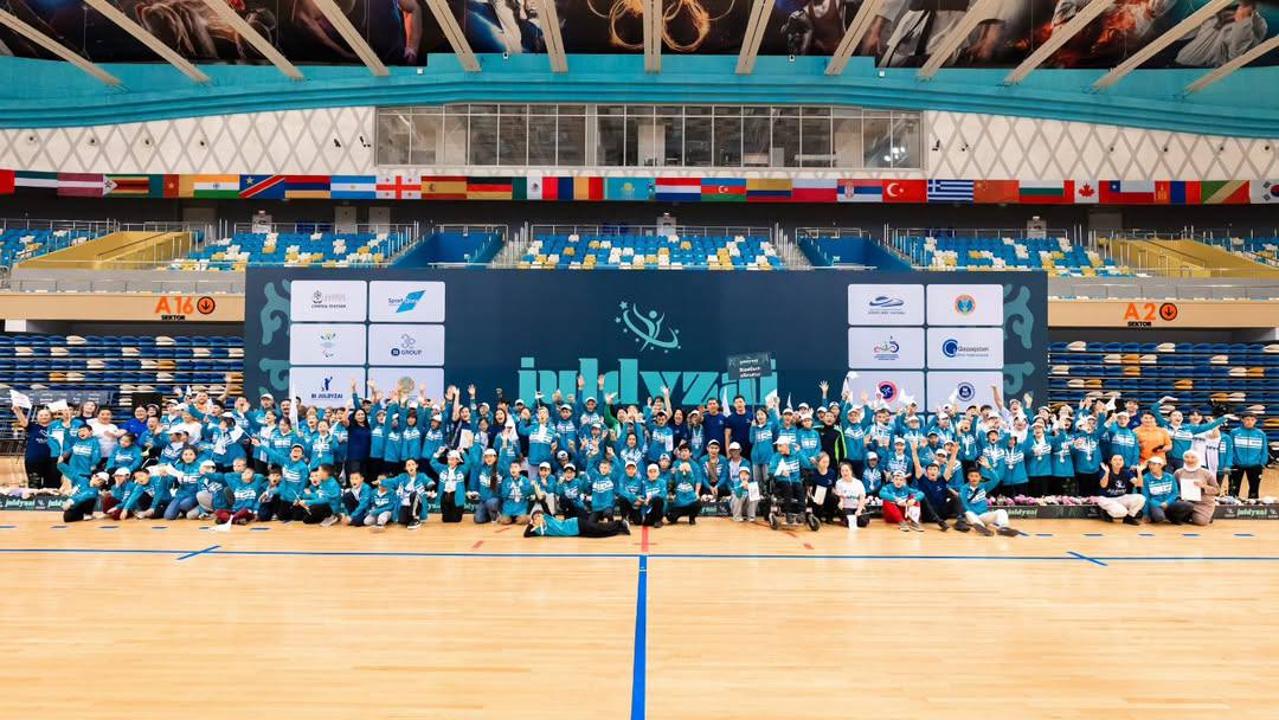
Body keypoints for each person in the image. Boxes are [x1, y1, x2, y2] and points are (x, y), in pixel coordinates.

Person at [959, 466, 1018, 537]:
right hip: (973, 517)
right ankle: (982, 529)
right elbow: (964, 504)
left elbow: (996, 479)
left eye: (976, 476)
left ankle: (1004, 529)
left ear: (980, 477)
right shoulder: (964, 489)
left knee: (1002, 511)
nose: (974, 478)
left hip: (984, 515)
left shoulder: (984, 485)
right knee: (968, 512)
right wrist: (974, 513)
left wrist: (989, 468)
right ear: (968, 477)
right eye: (971, 476)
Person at [13, 404, 60, 489]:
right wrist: (18, 411)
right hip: (33, 462)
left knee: (53, 487)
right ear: (37, 417)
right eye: (41, 415)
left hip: (53, 462)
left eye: (46, 415)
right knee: (34, 485)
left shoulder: (58, 427)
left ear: (51, 416)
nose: (44, 417)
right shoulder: (32, 427)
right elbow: (23, 421)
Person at [1137, 456, 1193, 525]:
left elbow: (1175, 493)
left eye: (1154, 464)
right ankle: (1159, 515)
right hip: (1155, 504)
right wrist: (1146, 514)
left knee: (1189, 505)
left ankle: (1173, 518)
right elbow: (1146, 497)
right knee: (1159, 517)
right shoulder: (1146, 478)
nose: (1151, 466)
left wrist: (1167, 502)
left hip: (1169, 503)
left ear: (1160, 465)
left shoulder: (1170, 477)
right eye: (1150, 464)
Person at [524, 506, 630, 538]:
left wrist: (542, 501)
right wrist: (531, 524)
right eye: (536, 517)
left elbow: (544, 506)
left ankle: (619, 523)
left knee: (599, 528)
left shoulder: (548, 518)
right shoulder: (538, 530)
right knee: (599, 534)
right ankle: (619, 529)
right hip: (577, 532)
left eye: (539, 515)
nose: (538, 518)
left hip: (576, 524)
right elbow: (526, 534)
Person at [1176, 450, 1221, 527]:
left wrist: (1203, 486)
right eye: (1187, 457)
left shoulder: (1206, 473)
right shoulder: (1178, 472)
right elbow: (1174, 489)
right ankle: (1188, 515)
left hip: (1203, 503)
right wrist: (1180, 496)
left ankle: (1205, 516)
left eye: (1193, 457)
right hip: (1185, 502)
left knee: (1201, 522)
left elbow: (1217, 490)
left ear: (1198, 459)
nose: (1189, 460)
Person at [1097, 455, 1145, 525]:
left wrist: (1139, 472)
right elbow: (1103, 485)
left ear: (1123, 462)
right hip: (1106, 498)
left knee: (1141, 498)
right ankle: (1105, 511)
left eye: (1120, 460)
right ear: (1110, 462)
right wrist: (1107, 473)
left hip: (1120, 498)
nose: (1118, 462)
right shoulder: (1105, 471)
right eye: (1115, 460)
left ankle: (1129, 517)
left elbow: (1139, 484)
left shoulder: (1126, 472)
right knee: (1122, 512)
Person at [1228, 414, 1267, 500]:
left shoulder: (1261, 434)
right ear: (1242, 420)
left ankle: (1253, 505)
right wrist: (1230, 462)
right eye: (1247, 419)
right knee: (1233, 489)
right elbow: (1230, 449)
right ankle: (1231, 505)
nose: (1250, 422)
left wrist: (1262, 463)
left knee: (1254, 489)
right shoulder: (1234, 432)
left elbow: (1264, 449)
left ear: (1255, 421)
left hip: (1255, 465)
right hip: (1236, 464)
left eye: (1252, 420)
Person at [833, 460, 869, 529]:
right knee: (848, 522)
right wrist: (841, 502)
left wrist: (859, 509)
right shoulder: (839, 483)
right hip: (846, 507)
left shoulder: (858, 483)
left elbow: (862, 497)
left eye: (846, 470)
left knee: (863, 522)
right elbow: (840, 496)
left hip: (857, 506)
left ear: (851, 471)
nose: (844, 473)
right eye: (842, 471)